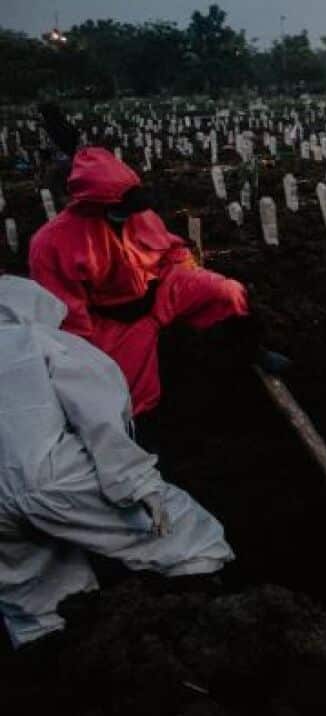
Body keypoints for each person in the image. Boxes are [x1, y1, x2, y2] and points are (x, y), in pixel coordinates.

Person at [0, 275, 234, 648]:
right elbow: (98, 412)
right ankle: (214, 627)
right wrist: (134, 480)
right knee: (187, 539)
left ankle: (58, 663)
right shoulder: (39, 341)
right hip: (55, 477)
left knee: (40, 602)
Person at [28, 148, 263, 416]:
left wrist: (191, 276)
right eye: (121, 208)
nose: (130, 214)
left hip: (160, 291)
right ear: (95, 204)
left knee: (227, 292)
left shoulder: (139, 214)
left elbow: (173, 250)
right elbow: (66, 315)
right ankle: (142, 423)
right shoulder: (51, 244)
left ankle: (251, 351)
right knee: (127, 393)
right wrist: (88, 359)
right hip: (114, 321)